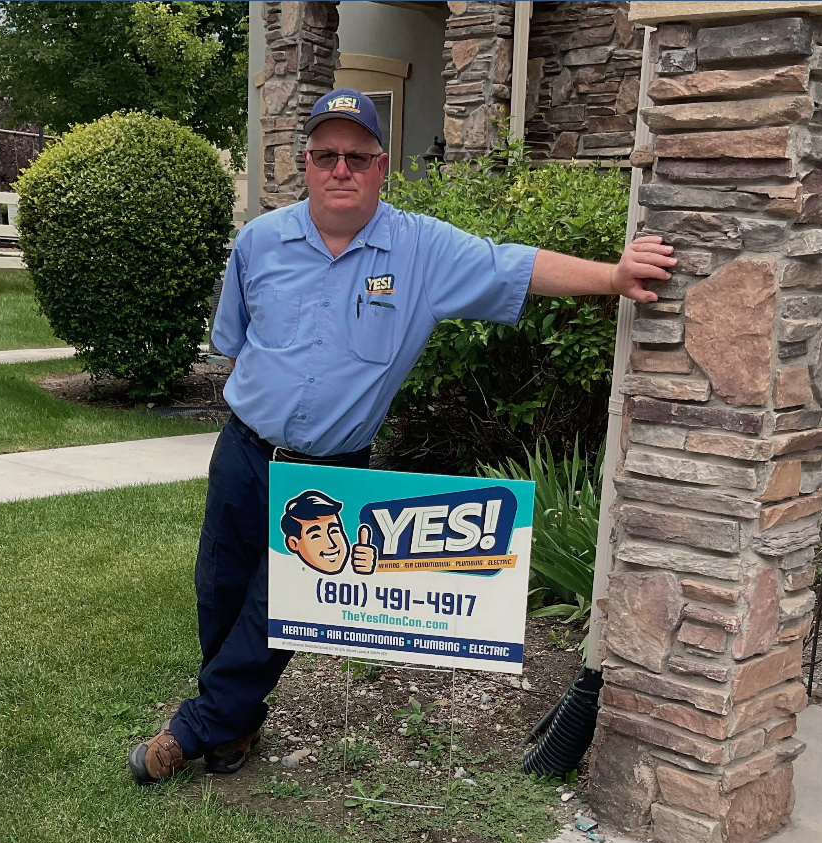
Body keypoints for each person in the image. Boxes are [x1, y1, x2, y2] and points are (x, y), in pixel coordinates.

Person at [128, 87, 676, 784]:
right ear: (306, 163)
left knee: (275, 610)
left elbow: (513, 264)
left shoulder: (420, 249)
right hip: (243, 450)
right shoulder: (259, 242)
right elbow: (236, 344)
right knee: (220, 589)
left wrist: (614, 275)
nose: (341, 168)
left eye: (358, 156)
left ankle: (192, 729)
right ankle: (236, 722)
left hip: (328, 472)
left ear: (381, 166)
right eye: (326, 154)